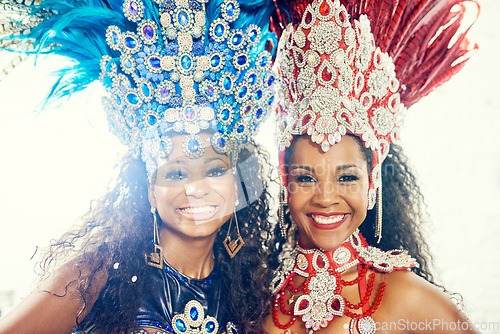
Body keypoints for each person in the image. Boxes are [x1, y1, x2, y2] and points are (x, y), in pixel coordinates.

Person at [0, 0, 277, 333]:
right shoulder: (94, 276)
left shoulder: (251, 291)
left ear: (239, 185)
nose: (196, 188)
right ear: (149, 192)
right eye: (175, 173)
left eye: (215, 170)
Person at [264, 0, 479, 332]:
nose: (326, 198)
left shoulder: (404, 296)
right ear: (284, 180)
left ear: (372, 180)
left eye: (347, 177)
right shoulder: (253, 290)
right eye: (306, 178)